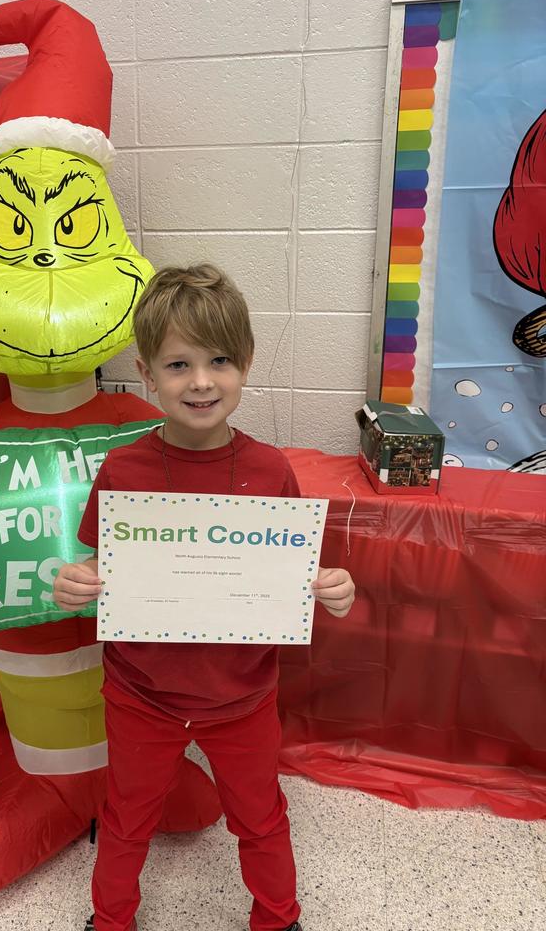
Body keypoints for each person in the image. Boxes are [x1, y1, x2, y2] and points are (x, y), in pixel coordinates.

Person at [54, 264, 356, 931]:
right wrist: (74, 578)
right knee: (128, 817)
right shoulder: (124, 470)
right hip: (140, 691)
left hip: (242, 695)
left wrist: (330, 585)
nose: (200, 381)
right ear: (146, 372)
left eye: (219, 360)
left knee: (260, 816)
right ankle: (110, 921)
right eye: (178, 364)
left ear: (244, 364)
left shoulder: (270, 469)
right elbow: (98, 564)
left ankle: (278, 920)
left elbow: (293, 574)